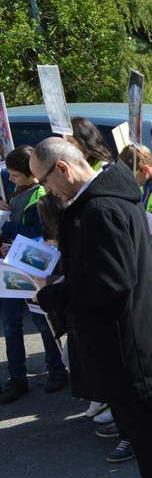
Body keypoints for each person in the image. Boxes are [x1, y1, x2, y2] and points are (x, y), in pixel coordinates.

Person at [31, 139, 152, 478]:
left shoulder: (100, 208)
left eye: (46, 180)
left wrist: (53, 295)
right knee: (133, 416)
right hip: (121, 333)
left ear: (63, 168)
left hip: (127, 335)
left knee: (146, 417)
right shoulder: (102, 198)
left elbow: (111, 281)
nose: (47, 190)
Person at [0, 146, 68, 402]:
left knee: (42, 321)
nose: (10, 179)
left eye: (15, 175)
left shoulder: (41, 195)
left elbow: (41, 233)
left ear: (30, 173)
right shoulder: (15, 193)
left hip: (32, 269)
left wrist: (11, 233)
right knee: (11, 324)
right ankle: (17, 378)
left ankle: (57, 370)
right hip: (10, 268)